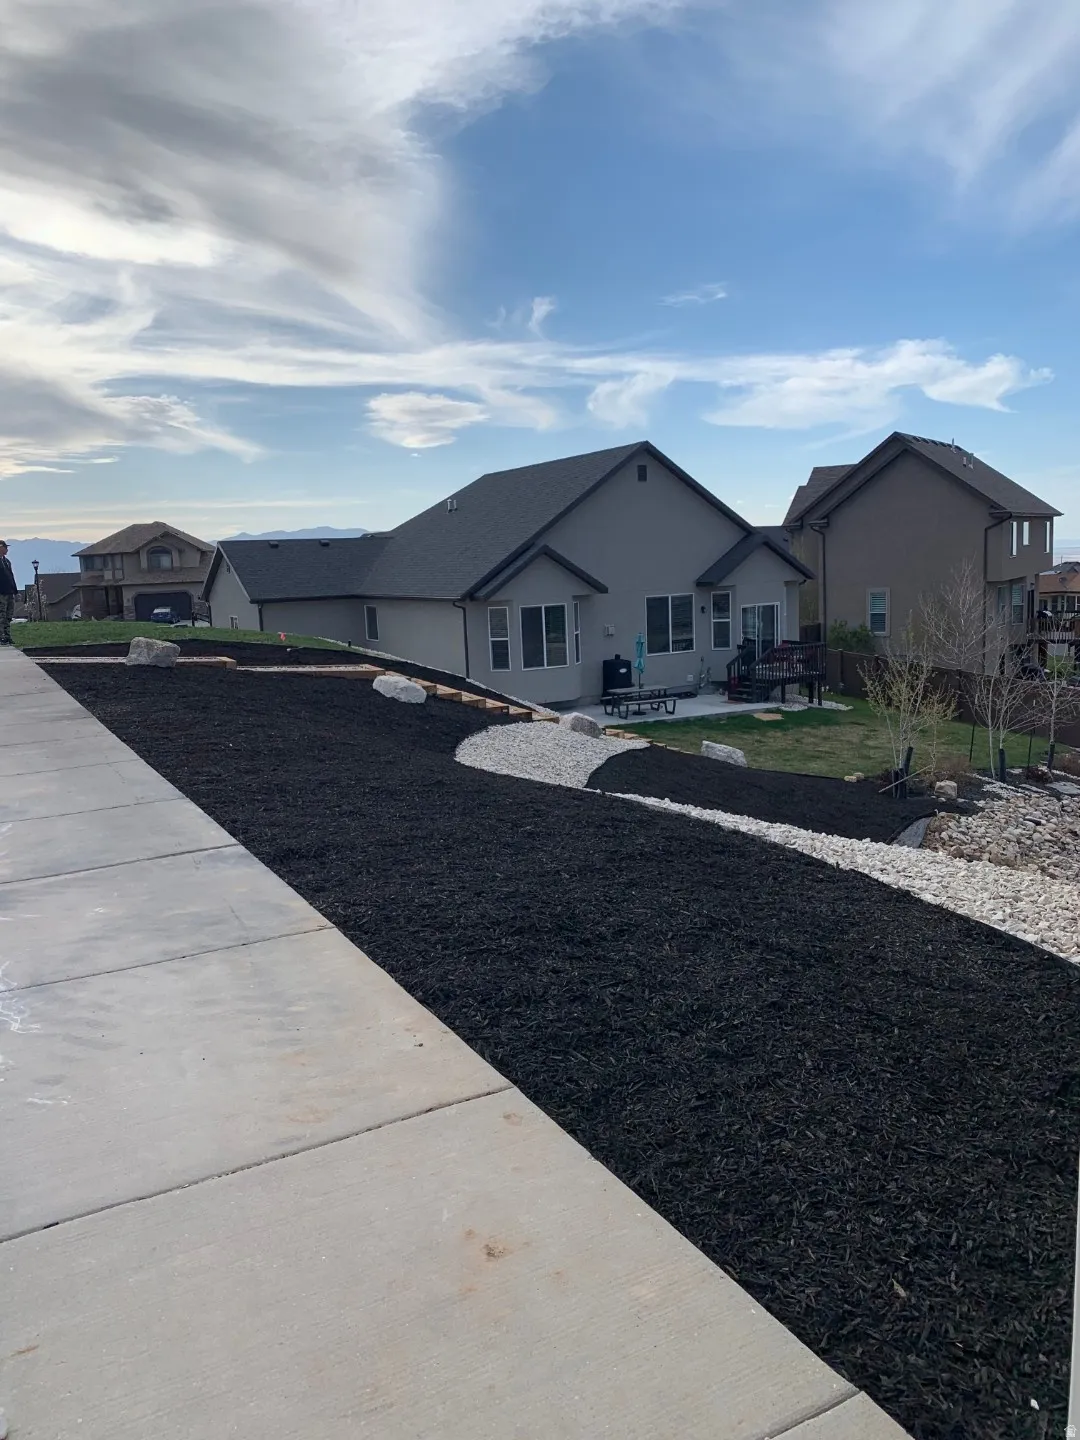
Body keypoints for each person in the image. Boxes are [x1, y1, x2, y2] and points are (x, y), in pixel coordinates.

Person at [0, 541, 19, 645]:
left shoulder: (7, 562)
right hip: (1, 593)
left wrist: (15, 591)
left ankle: (7, 635)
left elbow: (11, 577)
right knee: (1, 615)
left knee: (8, 615)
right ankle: (1, 636)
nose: (7, 549)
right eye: (5, 547)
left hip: (9, 592)